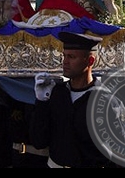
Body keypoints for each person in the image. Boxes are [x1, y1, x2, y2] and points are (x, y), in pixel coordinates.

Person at [29, 31, 118, 168]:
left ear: (90, 61)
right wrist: (41, 102)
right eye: (64, 56)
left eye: (71, 57)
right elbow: (39, 141)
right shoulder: (58, 93)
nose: (65, 62)